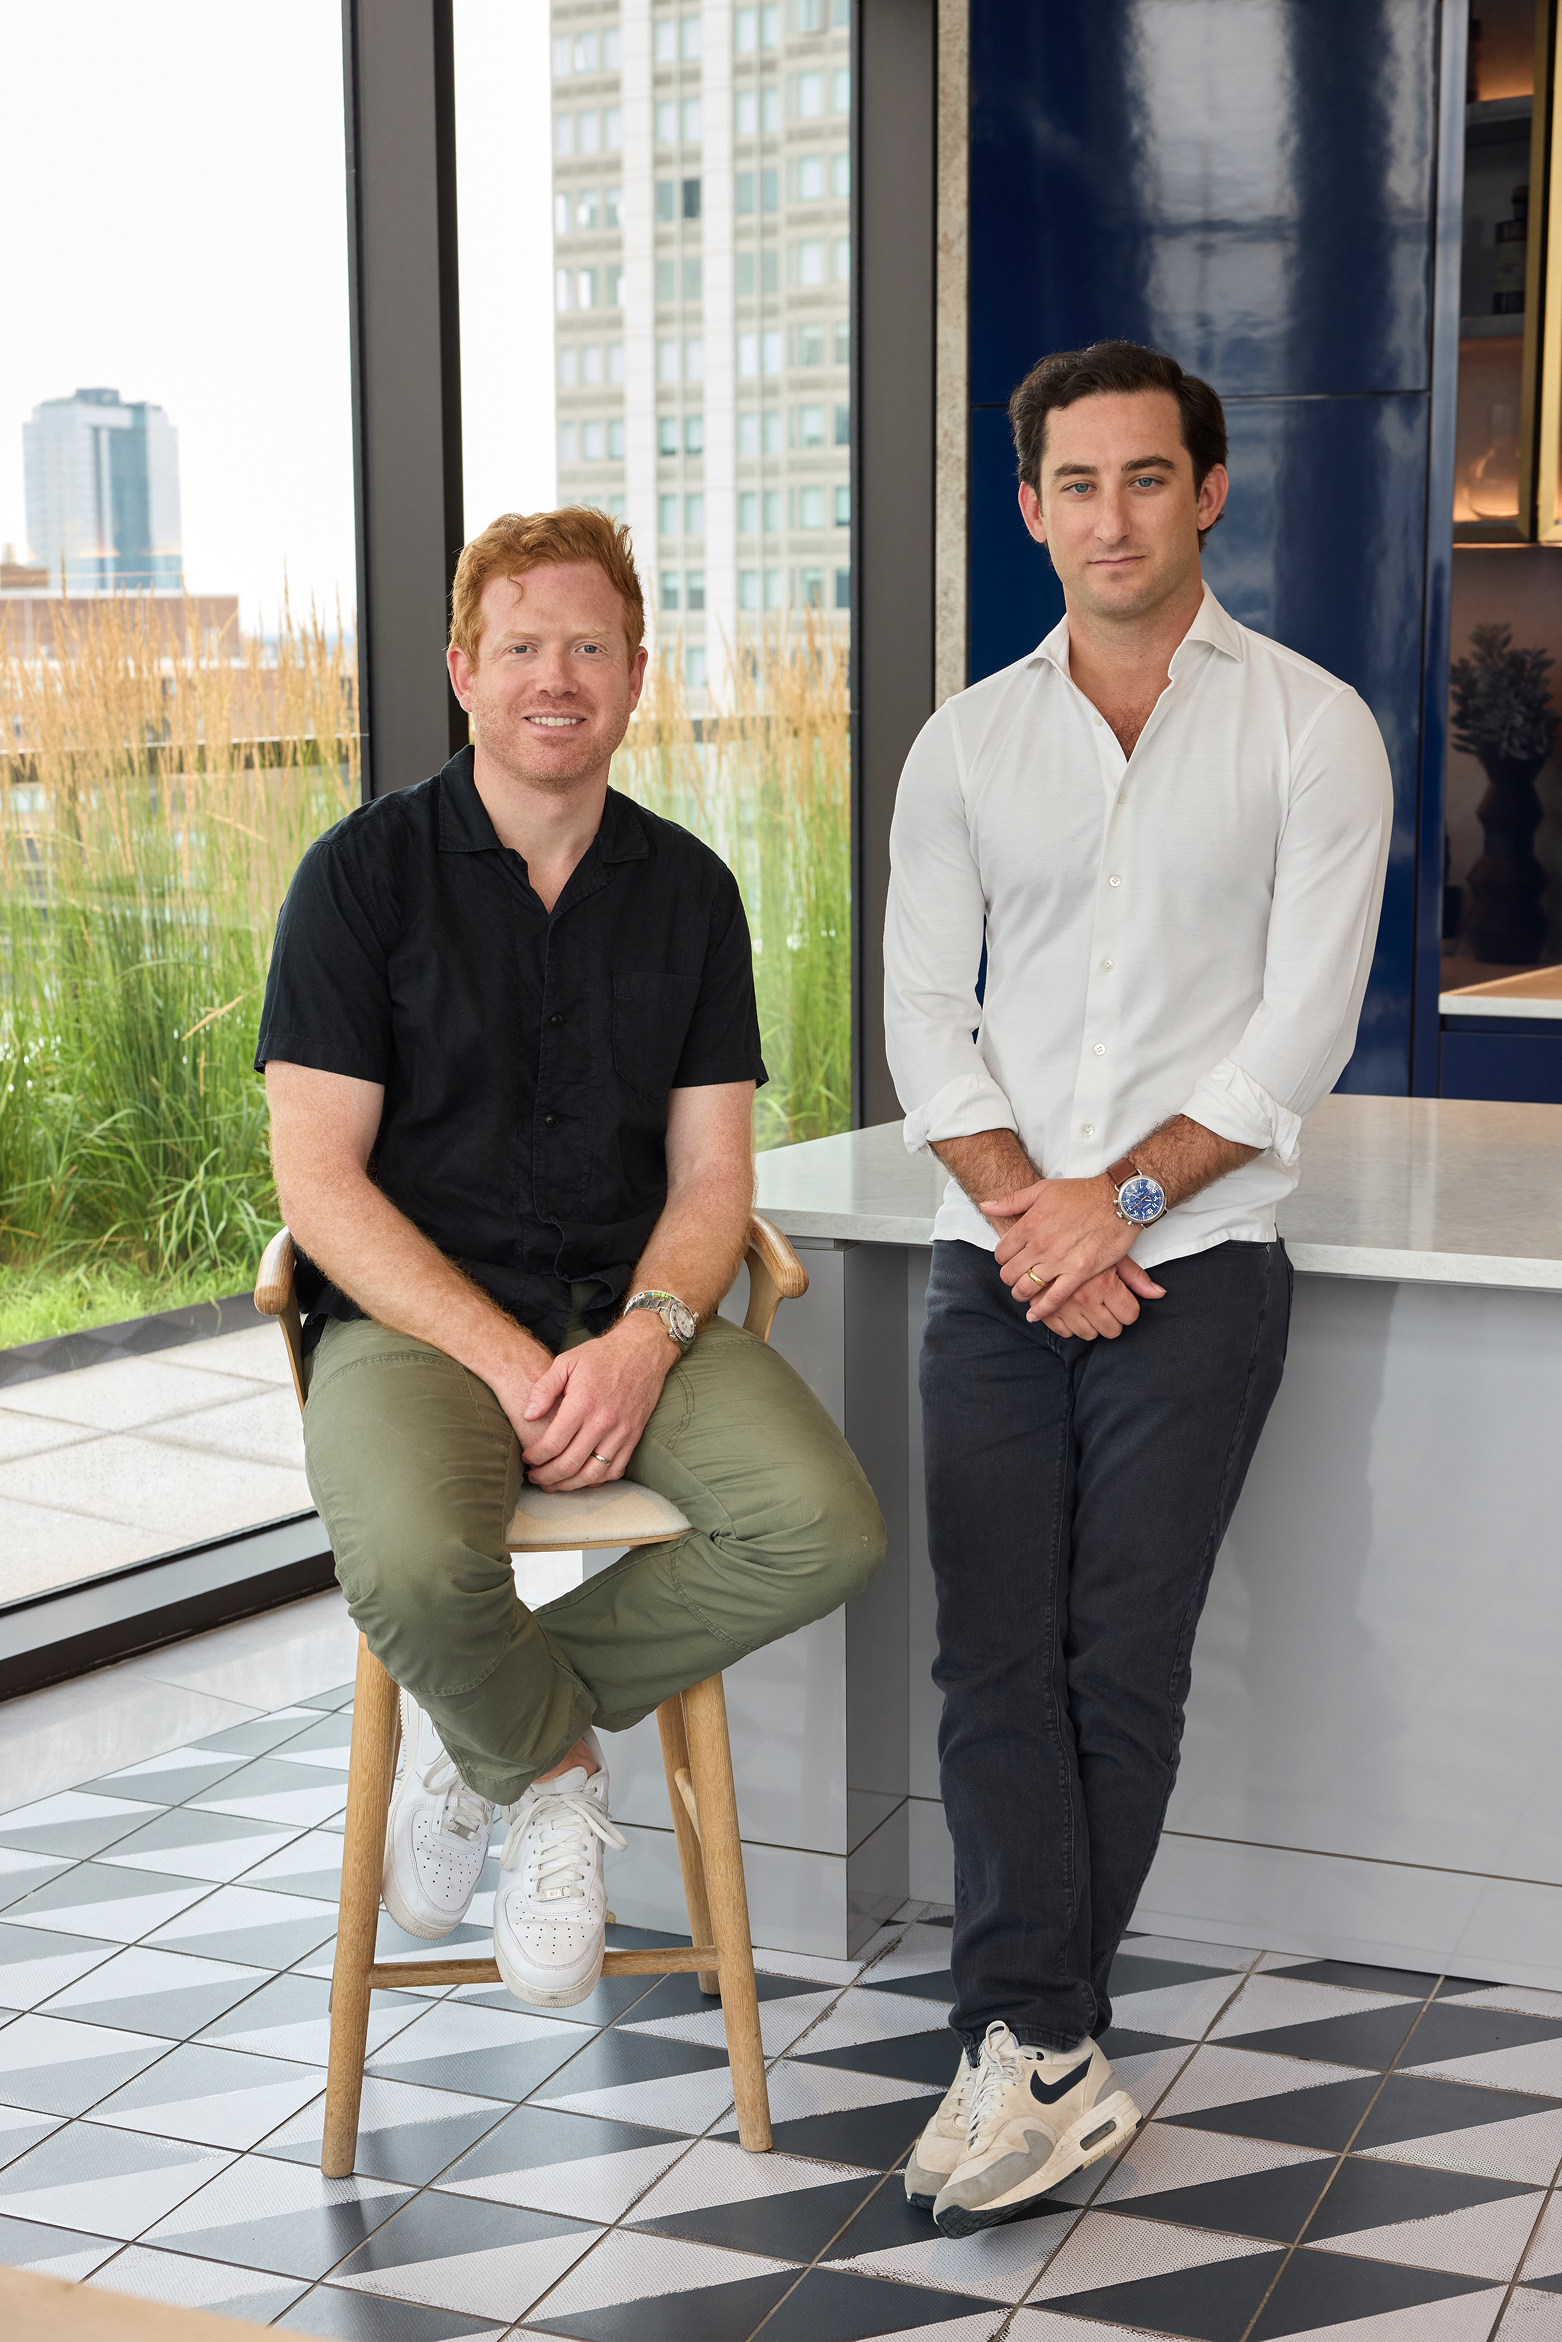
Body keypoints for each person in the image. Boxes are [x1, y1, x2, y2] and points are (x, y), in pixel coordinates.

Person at [884, 341, 1391, 2235]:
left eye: (1146, 479)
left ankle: (1019, 2043)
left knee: (1119, 1658)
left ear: (1209, 493)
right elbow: (928, 1015)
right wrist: (1039, 1213)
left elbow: (1297, 1030)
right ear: (1028, 508)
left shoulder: (1308, 726)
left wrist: (1127, 1203)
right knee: (988, 1657)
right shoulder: (964, 744)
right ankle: (1042, 2047)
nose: (1111, 515)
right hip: (996, 1264)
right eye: (1074, 484)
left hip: (1203, 1268)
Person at [256, 506, 884, 2011]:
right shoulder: (359, 878)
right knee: (411, 1557)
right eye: (524, 646)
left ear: (636, 673)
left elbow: (713, 1173)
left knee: (824, 1526)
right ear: (463, 670)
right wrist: (509, 1358)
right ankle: (546, 1770)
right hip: (417, 1322)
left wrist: (644, 1333)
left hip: (631, 1308)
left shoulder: (689, 891)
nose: (559, 675)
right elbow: (318, 1185)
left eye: (589, 645)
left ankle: (480, 1736)